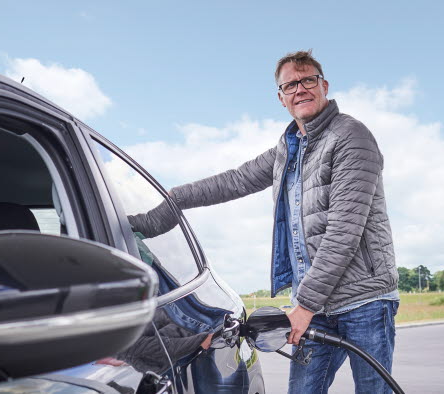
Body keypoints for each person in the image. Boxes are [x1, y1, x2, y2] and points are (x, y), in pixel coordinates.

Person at [128, 49, 400, 393]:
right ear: (281, 98)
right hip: (317, 304)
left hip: (364, 301)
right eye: (290, 85)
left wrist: (304, 306)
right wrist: (157, 213)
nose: (299, 89)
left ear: (324, 85)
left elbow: (343, 233)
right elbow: (233, 181)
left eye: (308, 80)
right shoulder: (288, 149)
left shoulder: (351, 136)